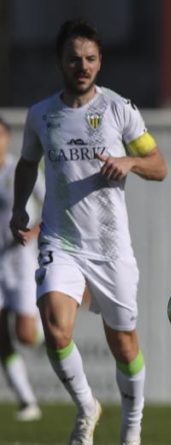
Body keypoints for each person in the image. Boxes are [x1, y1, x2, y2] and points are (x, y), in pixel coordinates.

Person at [10, 19, 167, 445]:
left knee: (124, 345)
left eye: (91, 58)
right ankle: (86, 406)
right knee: (55, 327)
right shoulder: (42, 114)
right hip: (62, 242)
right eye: (75, 58)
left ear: (100, 62)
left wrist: (129, 162)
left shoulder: (119, 109)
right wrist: (19, 208)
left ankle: (132, 438)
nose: (83, 66)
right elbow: (27, 163)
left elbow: (159, 166)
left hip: (111, 247)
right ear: (60, 61)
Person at [0, 116, 45, 422]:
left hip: (20, 260)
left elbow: (52, 203)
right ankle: (27, 401)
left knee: (26, 335)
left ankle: (41, 328)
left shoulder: (20, 170)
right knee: (1, 336)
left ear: (7, 138)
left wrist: (34, 232)